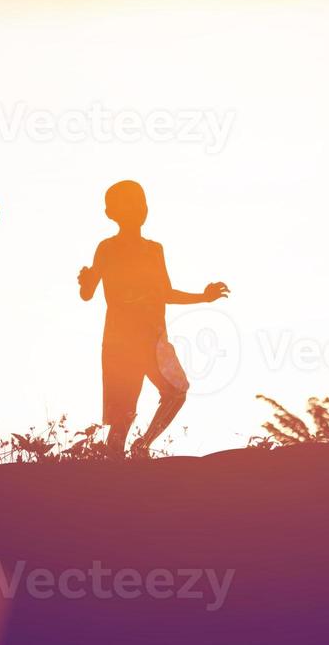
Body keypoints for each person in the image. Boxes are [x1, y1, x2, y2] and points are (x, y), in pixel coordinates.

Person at [78, 180, 229, 458]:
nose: (139, 209)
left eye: (141, 203)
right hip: (122, 342)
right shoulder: (107, 249)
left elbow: (165, 293)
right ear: (111, 213)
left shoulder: (153, 250)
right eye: (130, 205)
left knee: (175, 392)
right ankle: (122, 461)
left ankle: (141, 447)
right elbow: (88, 293)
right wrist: (85, 281)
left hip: (152, 339)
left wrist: (203, 297)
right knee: (125, 410)